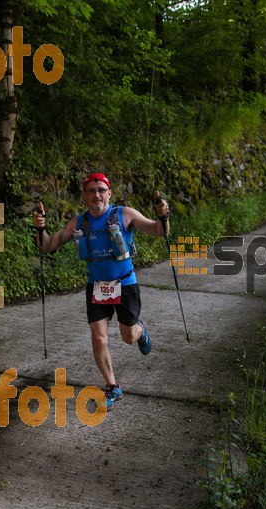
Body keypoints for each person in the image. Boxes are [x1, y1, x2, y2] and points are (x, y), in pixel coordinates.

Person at [32, 173, 170, 411]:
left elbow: (159, 230)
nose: (97, 194)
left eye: (101, 190)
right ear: (85, 196)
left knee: (128, 337)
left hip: (125, 284)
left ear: (109, 194)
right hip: (96, 286)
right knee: (99, 337)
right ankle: (113, 386)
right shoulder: (79, 222)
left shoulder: (124, 214)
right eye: (91, 190)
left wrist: (164, 215)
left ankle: (141, 330)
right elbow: (47, 246)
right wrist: (40, 228)